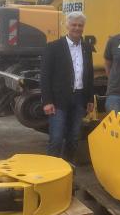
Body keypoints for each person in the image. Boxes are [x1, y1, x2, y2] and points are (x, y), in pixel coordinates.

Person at [40, 12, 94, 163]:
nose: (77, 28)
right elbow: (45, 76)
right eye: (74, 25)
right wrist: (47, 101)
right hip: (58, 100)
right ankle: (51, 169)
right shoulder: (53, 47)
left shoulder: (87, 48)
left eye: (80, 25)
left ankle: (68, 167)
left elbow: (89, 74)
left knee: (74, 137)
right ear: (67, 26)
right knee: (56, 138)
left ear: (83, 27)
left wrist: (90, 99)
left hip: (79, 99)